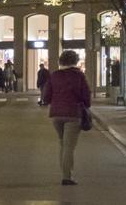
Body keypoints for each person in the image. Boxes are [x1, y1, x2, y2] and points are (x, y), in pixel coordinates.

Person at [41, 50, 91, 186]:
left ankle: (65, 173)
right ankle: (67, 177)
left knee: (62, 143)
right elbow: (86, 96)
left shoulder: (54, 75)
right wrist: (85, 105)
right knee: (69, 146)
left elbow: (46, 96)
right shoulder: (79, 76)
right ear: (75, 61)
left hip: (56, 115)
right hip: (73, 114)